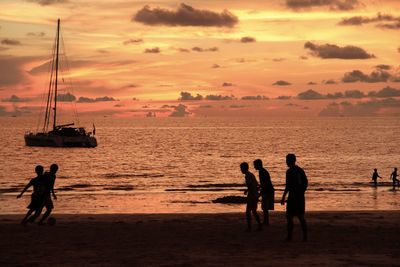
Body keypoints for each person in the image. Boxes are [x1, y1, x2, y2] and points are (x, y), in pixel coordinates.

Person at [281, 154, 308, 242]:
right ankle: (305, 236)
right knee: (300, 216)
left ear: (291, 161)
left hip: (293, 196)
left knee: (289, 216)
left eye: (287, 160)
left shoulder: (289, 171)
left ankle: (290, 236)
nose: (286, 162)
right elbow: (305, 183)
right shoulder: (300, 170)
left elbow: (288, 186)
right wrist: (302, 191)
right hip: (299, 196)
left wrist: (283, 196)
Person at [240, 162, 262, 232]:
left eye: (241, 168)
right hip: (254, 195)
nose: (241, 170)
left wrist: (248, 192)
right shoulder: (251, 174)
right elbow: (256, 184)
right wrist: (256, 194)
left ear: (244, 168)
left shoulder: (247, 176)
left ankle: (249, 227)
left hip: (252, 196)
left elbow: (250, 186)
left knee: (248, 212)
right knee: (254, 211)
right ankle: (259, 225)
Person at [253, 159, 274, 225]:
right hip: (267, 190)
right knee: (265, 207)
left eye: (255, 165)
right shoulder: (262, 171)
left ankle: (266, 221)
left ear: (258, 165)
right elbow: (263, 183)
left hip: (268, 191)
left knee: (265, 207)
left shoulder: (262, 172)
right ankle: (266, 221)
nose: (254, 167)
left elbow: (265, 183)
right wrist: (259, 188)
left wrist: (260, 192)